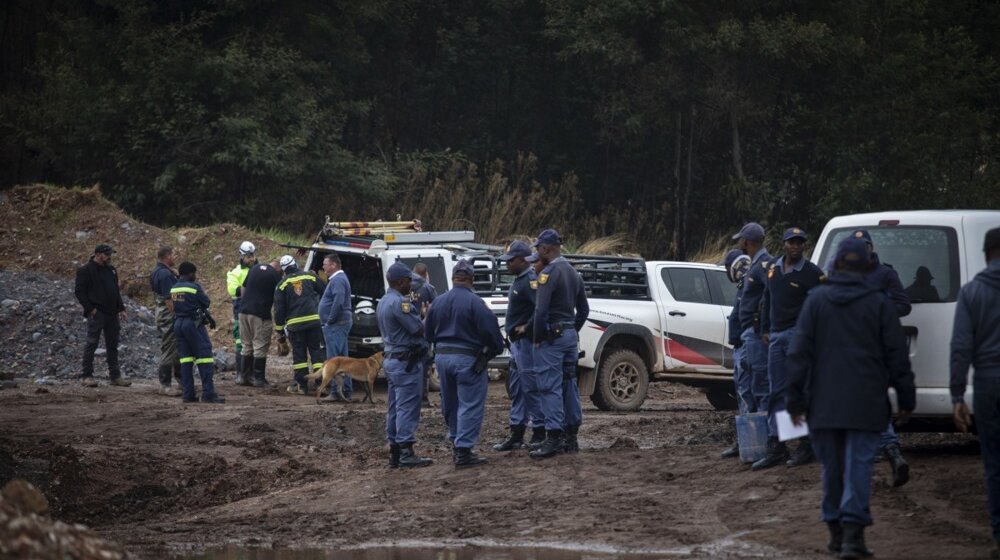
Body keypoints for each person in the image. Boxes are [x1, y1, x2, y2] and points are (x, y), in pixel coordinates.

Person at [787, 237, 914, 558]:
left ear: (837, 265)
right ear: (868, 268)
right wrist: (906, 399)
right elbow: (897, 355)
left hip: (823, 405)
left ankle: (835, 532)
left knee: (831, 468)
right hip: (867, 403)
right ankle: (853, 537)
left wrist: (795, 402)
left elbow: (798, 354)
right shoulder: (880, 304)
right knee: (859, 464)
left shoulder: (816, 301)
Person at [754, 227, 825, 470]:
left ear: (804, 245)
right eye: (791, 242)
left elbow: (820, 306)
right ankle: (778, 444)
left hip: (799, 336)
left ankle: (806, 444)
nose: (795, 246)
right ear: (783, 244)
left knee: (800, 389)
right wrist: (765, 328)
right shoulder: (773, 268)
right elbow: (767, 299)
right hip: (776, 336)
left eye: (799, 242)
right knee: (777, 391)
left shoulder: (812, 273)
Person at [425, 259, 505, 468]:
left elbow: (428, 332)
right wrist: (491, 352)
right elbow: (492, 334)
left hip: (442, 358)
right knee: (470, 404)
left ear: (453, 278)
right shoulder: (475, 302)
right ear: (471, 279)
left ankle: (455, 439)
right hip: (467, 359)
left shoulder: (438, 301)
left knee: (450, 402)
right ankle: (463, 451)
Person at [950, 227, 1000, 559]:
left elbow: (961, 347)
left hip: (989, 383)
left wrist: (956, 396)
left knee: (994, 462)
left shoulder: (971, 293)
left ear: (985, 254)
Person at [853, 229, 912, 487]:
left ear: (871, 247)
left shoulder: (885, 274)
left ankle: (890, 450)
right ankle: (884, 451)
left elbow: (904, 305)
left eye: (864, 245)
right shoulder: (845, 275)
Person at [530, 229, 590, 459]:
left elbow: (540, 310)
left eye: (538, 249)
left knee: (549, 386)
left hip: (552, 338)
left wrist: (537, 338)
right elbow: (584, 310)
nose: (537, 252)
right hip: (568, 336)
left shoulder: (548, 273)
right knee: (569, 383)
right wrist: (572, 330)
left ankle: (553, 437)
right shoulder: (574, 273)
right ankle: (571, 436)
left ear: (546, 249)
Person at [377, 262, 433, 468]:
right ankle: (406, 451)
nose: (411, 284)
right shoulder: (401, 303)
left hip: (393, 359)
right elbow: (417, 329)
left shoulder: (383, 301)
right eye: (408, 281)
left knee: (394, 407)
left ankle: (395, 451)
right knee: (407, 407)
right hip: (405, 362)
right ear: (400, 282)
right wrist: (429, 316)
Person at [493, 241, 541, 451]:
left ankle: (539, 432)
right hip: (518, 345)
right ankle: (517, 433)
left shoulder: (530, 281)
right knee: (518, 389)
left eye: (511, 261)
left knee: (530, 388)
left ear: (523, 260)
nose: (507, 265)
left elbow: (541, 309)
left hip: (526, 344)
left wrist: (527, 328)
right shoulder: (521, 280)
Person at [732, 222, 773, 459]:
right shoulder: (757, 264)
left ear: (747, 242)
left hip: (756, 334)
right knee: (751, 384)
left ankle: (767, 443)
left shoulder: (762, 265)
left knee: (760, 386)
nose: (740, 244)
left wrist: (762, 325)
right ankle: (758, 443)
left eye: (741, 240)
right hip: (751, 333)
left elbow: (771, 294)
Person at [74, 244, 131, 388]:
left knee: (113, 346)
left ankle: (115, 376)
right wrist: (91, 309)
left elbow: (115, 291)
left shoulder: (111, 270)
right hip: (97, 313)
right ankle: (87, 376)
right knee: (91, 343)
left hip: (112, 313)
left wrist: (122, 308)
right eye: (108, 254)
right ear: (99, 254)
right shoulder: (85, 271)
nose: (110, 257)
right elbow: (79, 292)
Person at [170, 262, 225, 404]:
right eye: (194, 273)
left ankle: (188, 394)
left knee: (186, 360)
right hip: (192, 325)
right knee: (204, 356)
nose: (195, 276)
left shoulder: (174, 288)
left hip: (178, 324)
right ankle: (208, 394)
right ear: (190, 273)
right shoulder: (194, 287)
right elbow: (206, 302)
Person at [273, 255, 326, 395]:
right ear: (295, 264)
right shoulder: (310, 277)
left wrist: (280, 331)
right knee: (317, 353)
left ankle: (302, 387)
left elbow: (279, 310)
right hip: (314, 322)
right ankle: (322, 384)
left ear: (283, 270)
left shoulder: (281, 285)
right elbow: (325, 291)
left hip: (295, 326)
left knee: (299, 357)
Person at [720, 249, 752, 459]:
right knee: (743, 395)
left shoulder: (750, 285)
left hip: (747, 346)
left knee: (747, 395)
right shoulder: (744, 287)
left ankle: (751, 441)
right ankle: (746, 440)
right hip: (741, 346)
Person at [239, 258, 283, 388]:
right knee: (260, 345)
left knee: (246, 345)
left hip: (243, 312)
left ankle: (244, 377)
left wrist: (245, 303)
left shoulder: (253, 269)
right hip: (260, 314)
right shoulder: (275, 275)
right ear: (279, 269)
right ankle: (258, 378)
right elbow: (279, 298)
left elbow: (243, 287)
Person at [319, 253, 353, 402]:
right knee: (343, 360)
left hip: (336, 325)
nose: (323, 267)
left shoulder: (338, 280)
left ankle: (335, 392)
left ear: (333, 265)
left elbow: (338, 302)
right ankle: (345, 391)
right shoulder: (338, 279)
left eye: (325, 264)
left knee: (334, 360)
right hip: (338, 324)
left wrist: (329, 320)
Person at [150, 246, 181, 396]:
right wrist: (176, 315)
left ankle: (181, 382)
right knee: (169, 348)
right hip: (168, 315)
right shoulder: (165, 274)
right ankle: (165, 385)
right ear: (167, 256)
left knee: (174, 348)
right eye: (174, 254)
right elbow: (169, 299)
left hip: (160, 313)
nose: (175, 257)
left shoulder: (158, 271)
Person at [227, 241, 257, 381]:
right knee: (241, 342)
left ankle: (253, 374)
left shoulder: (260, 269)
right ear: (242, 256)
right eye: (248, 256)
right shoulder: (235, 273)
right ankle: (241, 374)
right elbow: (234, 290)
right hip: (240, 311)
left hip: (257, 310)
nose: (251, 258)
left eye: (252, 255)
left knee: (256, 343)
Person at [411, 262, 438, 407]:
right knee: (424, 366)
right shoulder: (428, 288)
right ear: (425, 274)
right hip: (424, 334)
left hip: (408, 333)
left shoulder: (405, 287)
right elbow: (436, 309)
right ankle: (423, 399)